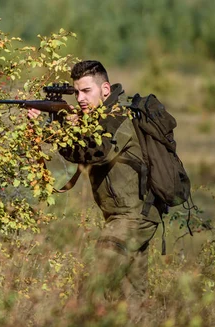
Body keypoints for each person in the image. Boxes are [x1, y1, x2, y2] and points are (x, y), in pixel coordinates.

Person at [28, 60, 163, 314]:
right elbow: (83, 144)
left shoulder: (117, 117)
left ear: (105, 89)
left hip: (134, 216)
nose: (79, 98)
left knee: (96, 280)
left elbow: (94, 152)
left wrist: (59, 122)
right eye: (76, 91)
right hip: (124, 215)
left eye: (86, 91)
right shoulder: (97, 118)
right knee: (132, 296)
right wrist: (51, 122)